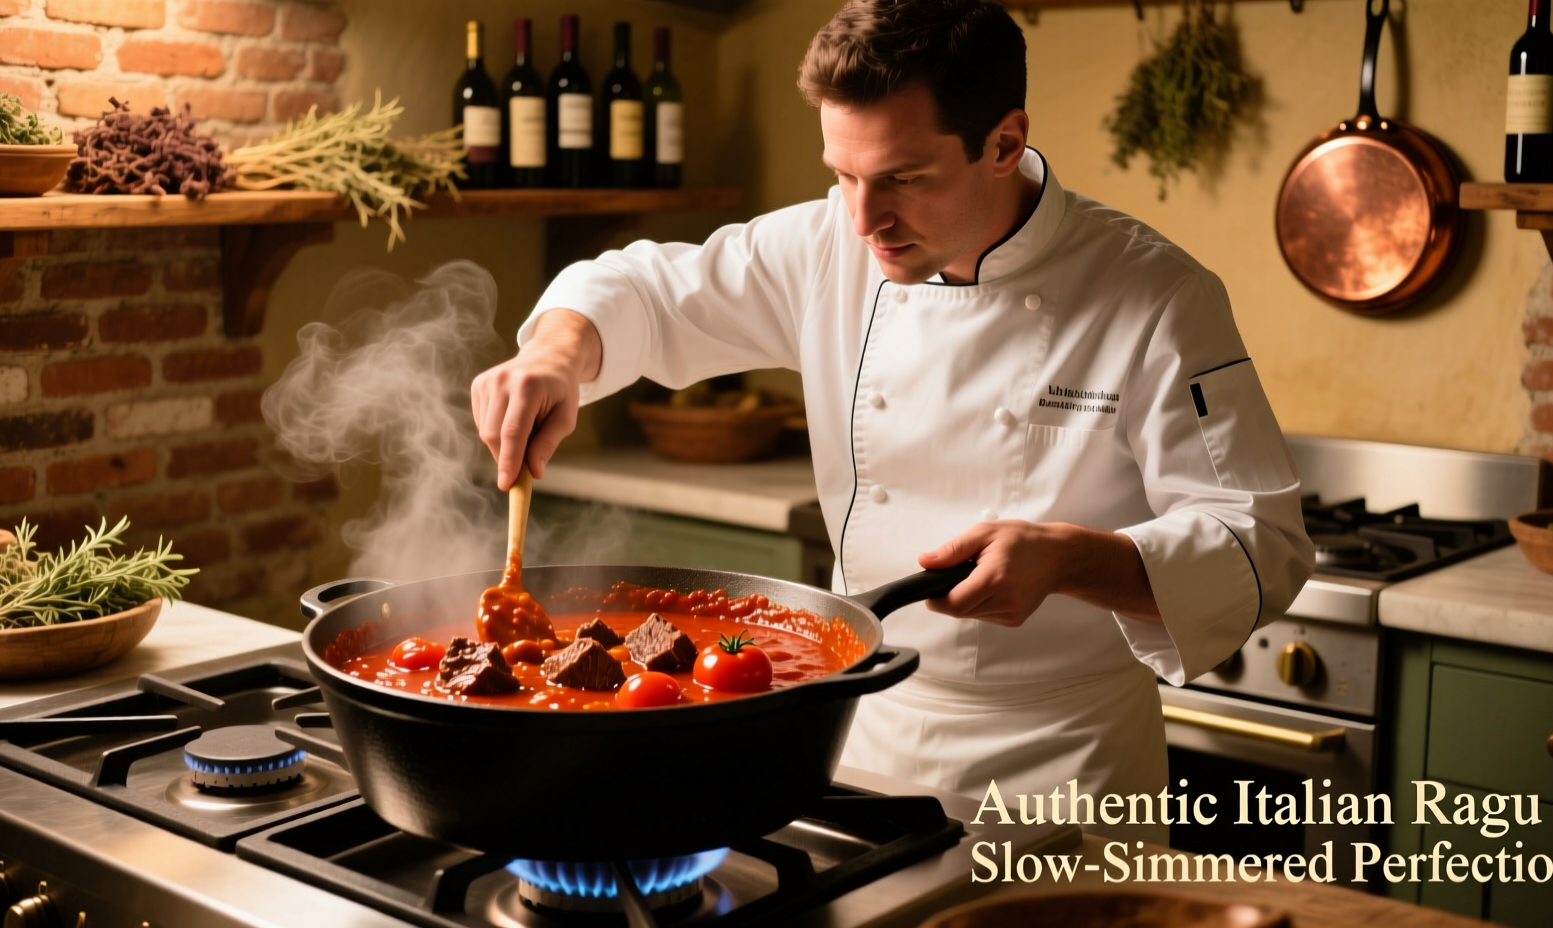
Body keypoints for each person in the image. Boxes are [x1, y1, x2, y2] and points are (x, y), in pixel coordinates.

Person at [471, 0, 1312, 844]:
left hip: (1062, 769)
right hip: (855, 739)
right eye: (842, 174)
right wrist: (554, 355)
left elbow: (1258, 541)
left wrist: (1070, 559)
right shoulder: (828, 247)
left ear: (1004, 143)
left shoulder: (1156, 295)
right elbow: (642, 290)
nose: (863, 218)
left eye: (903, 179)